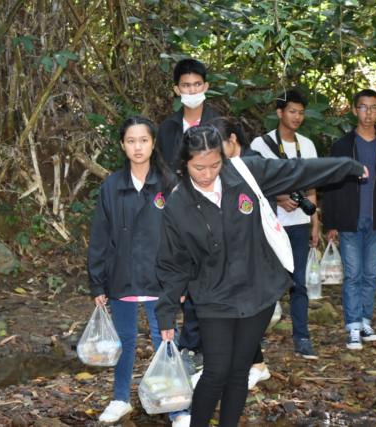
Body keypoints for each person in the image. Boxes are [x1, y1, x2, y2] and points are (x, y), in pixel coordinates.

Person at [155, 125, 368, 427]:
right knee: (216, 371)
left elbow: (297, 171)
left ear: (223, 159)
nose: (207, 174)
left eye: (215, 165)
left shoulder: (246, 172)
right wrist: (165, 312)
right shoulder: (177, 204)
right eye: (198, 167)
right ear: (184, 163)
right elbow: (173, 262)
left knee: (239, 370)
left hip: (257, 290)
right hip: (213, 297)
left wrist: (346, 166)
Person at [86, 116, 190, 427]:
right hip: (123, 275)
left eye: (143, 140)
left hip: (160, 278)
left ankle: (176, 408)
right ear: (122, 145)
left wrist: (182, 282)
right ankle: (120, 398)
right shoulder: (112, 185)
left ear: (153, 143)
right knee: (125, 340)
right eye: (131, 141)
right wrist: (97, 282)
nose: (138, 147)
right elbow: (100, 236)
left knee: (165, 338)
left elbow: (183, 236)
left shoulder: (169, 183)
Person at [322, 89, 376, 351]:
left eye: (374, 108)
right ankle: (353, 326)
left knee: (370, 274)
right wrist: (330, 223)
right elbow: (331, 184)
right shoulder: (342, 146)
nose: (369, 113)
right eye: (364, 107)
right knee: (353, 275)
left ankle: (366, 322)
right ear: (355, 110)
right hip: (349, 221)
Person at [158, 58, 220, 371]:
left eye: (197, 85)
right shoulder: (169, 127)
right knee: (187, 275)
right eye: (186, 85)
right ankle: (192, 345)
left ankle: (211, 344)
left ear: (206, 87)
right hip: (181, 210)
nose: (192, 91)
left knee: (211, 275)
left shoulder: (218, 124)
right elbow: (162, 165)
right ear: (176, 89)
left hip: (214, 210)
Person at [250, 89, 320, 359]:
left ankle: (302, 337)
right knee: (267, 282)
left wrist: (315, 221)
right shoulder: (261, 144)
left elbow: (312, 187)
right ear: (280, 112)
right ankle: (255, 338)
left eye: (301, 112)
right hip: (271, 226)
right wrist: (279, 198)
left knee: (298, 283)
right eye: (292, 111)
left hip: (299, 224)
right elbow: (253, 184)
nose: (297, 117)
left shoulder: (307, 145)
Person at [207, 116, 270, 390]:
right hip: (231, 250)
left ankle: (254, 365)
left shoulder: (253, 163)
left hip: (254, 249)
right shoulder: (225, 166)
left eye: (218, 147)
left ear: (232, 140)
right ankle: (253, 363)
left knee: (244, 310)